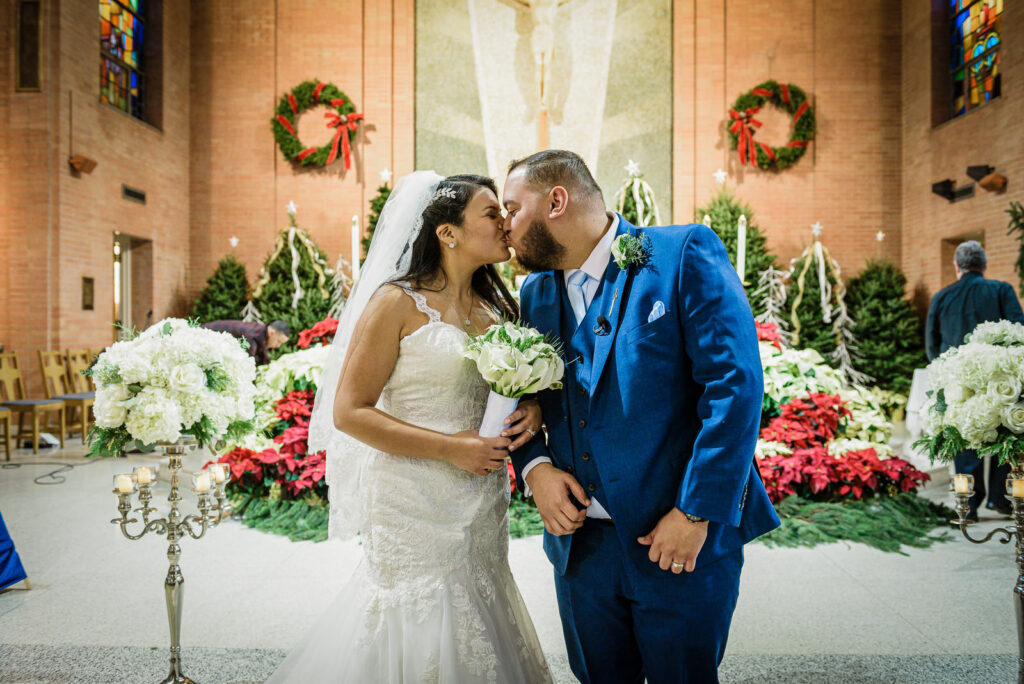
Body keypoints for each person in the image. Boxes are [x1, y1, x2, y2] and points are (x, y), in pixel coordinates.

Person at [503, 150, 780, 684]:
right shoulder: (535, 293)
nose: (506, 226)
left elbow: (734, 387)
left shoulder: (680, 254)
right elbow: (519, 396)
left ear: (556, 201)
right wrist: (535, 466)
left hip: (676, 541)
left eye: (514, 209)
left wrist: (695, 513)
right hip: (582, 552)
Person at [267, 172, 552, 683]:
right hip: (411, 496)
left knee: (479, 600)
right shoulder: (396, 302)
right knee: (418, 612)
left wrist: (531, 407)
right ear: (448, 233)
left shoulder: (498, 309)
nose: (506, 224)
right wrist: (448, 448)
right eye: (492, 214)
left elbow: (509, 390)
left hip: (480, 496)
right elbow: (349, 412)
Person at [926, 240, 1024, 519]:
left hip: (958, 380)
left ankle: (967, 506)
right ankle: (1001, 499)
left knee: (966, 434)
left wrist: (944, 371)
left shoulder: (942, 297)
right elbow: (1019, 330)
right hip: (1001, 378)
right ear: (983, 265)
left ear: (957, 267)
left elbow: (931, 343)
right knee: (1005, 435)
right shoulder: (1001, 290)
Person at [200, 319, 289, 365]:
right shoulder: (252, 337)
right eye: (279, 341)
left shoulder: (260, 331)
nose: (278, 345)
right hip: (201, 336)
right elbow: (248, 364)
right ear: (271, 333)